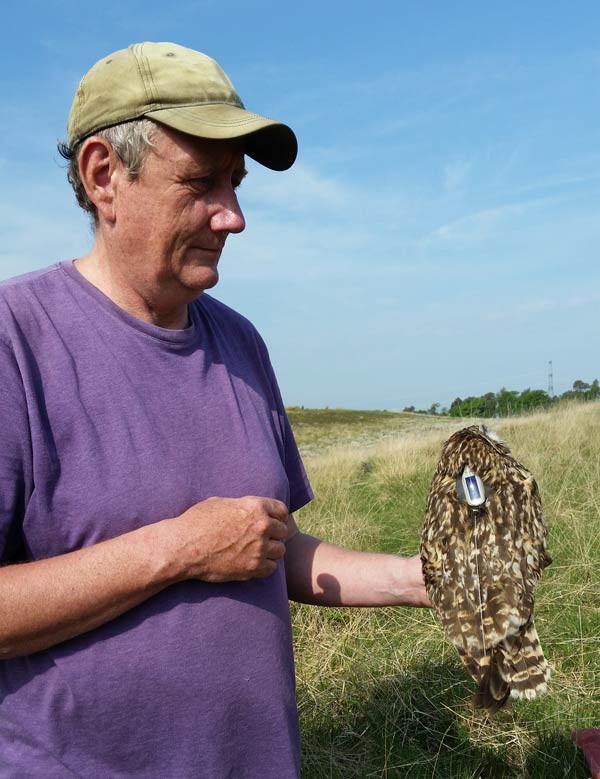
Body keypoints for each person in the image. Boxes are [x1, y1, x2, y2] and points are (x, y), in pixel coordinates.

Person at [0, 42, 429, 778]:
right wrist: (180, 548)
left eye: (235, 184)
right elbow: (211, 544)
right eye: (201, 182)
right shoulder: (16, 341)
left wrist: (421, 579)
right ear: (104, 175)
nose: (232, 217)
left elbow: (267, 544)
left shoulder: (239, 342)